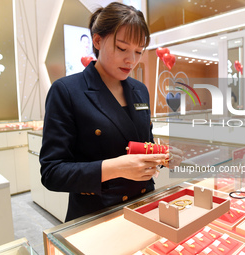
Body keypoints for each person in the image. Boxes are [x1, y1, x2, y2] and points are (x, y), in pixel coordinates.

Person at [40, 2, 168, 222]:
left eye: (138, 51)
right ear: (97, 40)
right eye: (122, 48)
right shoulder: (67, 91)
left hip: (144, 205)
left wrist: (162, 155)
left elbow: (145, 141)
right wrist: (115, 167)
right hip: (96, 214)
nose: (131, 60)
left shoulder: (140, 90)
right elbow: (52, 173)